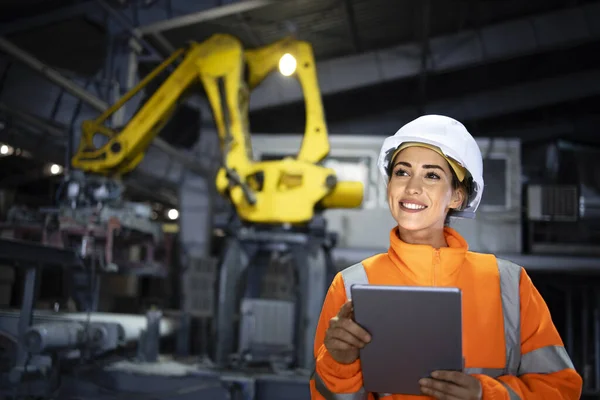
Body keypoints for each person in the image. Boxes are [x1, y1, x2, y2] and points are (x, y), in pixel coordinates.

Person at [309, 115, 582, 400]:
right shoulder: (351, 284)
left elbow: (561, 389)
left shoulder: (508, 284)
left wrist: (484, 393)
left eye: (432, 175)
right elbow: (323, 395)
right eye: (402, 172)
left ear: (457, 197)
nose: (412, 187)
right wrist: (338, 363)